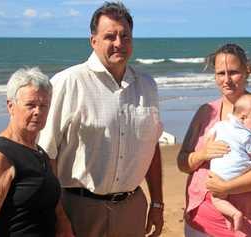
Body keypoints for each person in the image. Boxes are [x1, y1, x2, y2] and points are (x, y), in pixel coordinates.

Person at [37, 2, 164, 237]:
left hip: (132, 208)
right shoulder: (68, 83)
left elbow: (152, 146)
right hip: (79, 209)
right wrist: (58, 215)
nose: (119, 43)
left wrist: (157, 203)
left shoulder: (147, 86)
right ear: (93, 41)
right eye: (110, 36)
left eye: (125, 36)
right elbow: (46, 154)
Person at [177, 43, 251, 236]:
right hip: (202, 222)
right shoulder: (206, 111)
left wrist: (227, 187)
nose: (227, 80)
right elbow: (182, 162)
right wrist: (203, 154)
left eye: (234, 72)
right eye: (221, 73)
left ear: (248, 71)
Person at [0, 67, 63, 237]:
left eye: (44, 105)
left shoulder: (39, 153)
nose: (38, 111)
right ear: (11, 106)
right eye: (30, 105)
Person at [209, 93, 251, 231]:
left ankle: (233, 213)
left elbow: (209, 140)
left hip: (218, 173)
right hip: (239, 171)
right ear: (243, 117)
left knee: (217, 199)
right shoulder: (247, 134)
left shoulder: (220, 125)